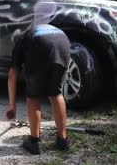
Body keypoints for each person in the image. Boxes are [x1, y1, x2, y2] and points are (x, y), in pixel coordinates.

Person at [5, 24, 71, 155]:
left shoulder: (21, 41)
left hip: (40, 48)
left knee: (33, 96)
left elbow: (12, 75)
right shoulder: (33, 34)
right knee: (56, 93)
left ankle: (34, 142)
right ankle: (63, 140)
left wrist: (12, 106)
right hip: (63, 44)